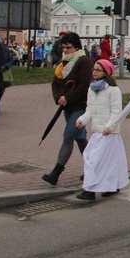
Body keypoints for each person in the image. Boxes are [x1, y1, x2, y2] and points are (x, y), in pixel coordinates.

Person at [42, 32, 93, 186]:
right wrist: (58, 97)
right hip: (67, 107)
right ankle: (93, 168)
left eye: (68, 47)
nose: (65, 50)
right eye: (63, 47)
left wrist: (68, 97)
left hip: (80, 107)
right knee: (79, 138)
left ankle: (55, 173)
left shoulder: (84, 61)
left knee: (68, 136)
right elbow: (55, 83)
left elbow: (85, 85)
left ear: (76, 47)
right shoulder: (63, 62)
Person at [74, 59, 129, 200]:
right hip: (98, 131)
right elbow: (90, 110)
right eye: (94, 69)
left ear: (106, 72)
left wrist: (109, 127)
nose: (94, 72)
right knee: (104, 161)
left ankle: (90, 191)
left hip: (108, 133)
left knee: (94, 160)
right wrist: (81, 120)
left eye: (98, 70)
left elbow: (117, 112)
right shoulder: (92, 89)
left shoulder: (113, 90)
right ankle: (112, 186)